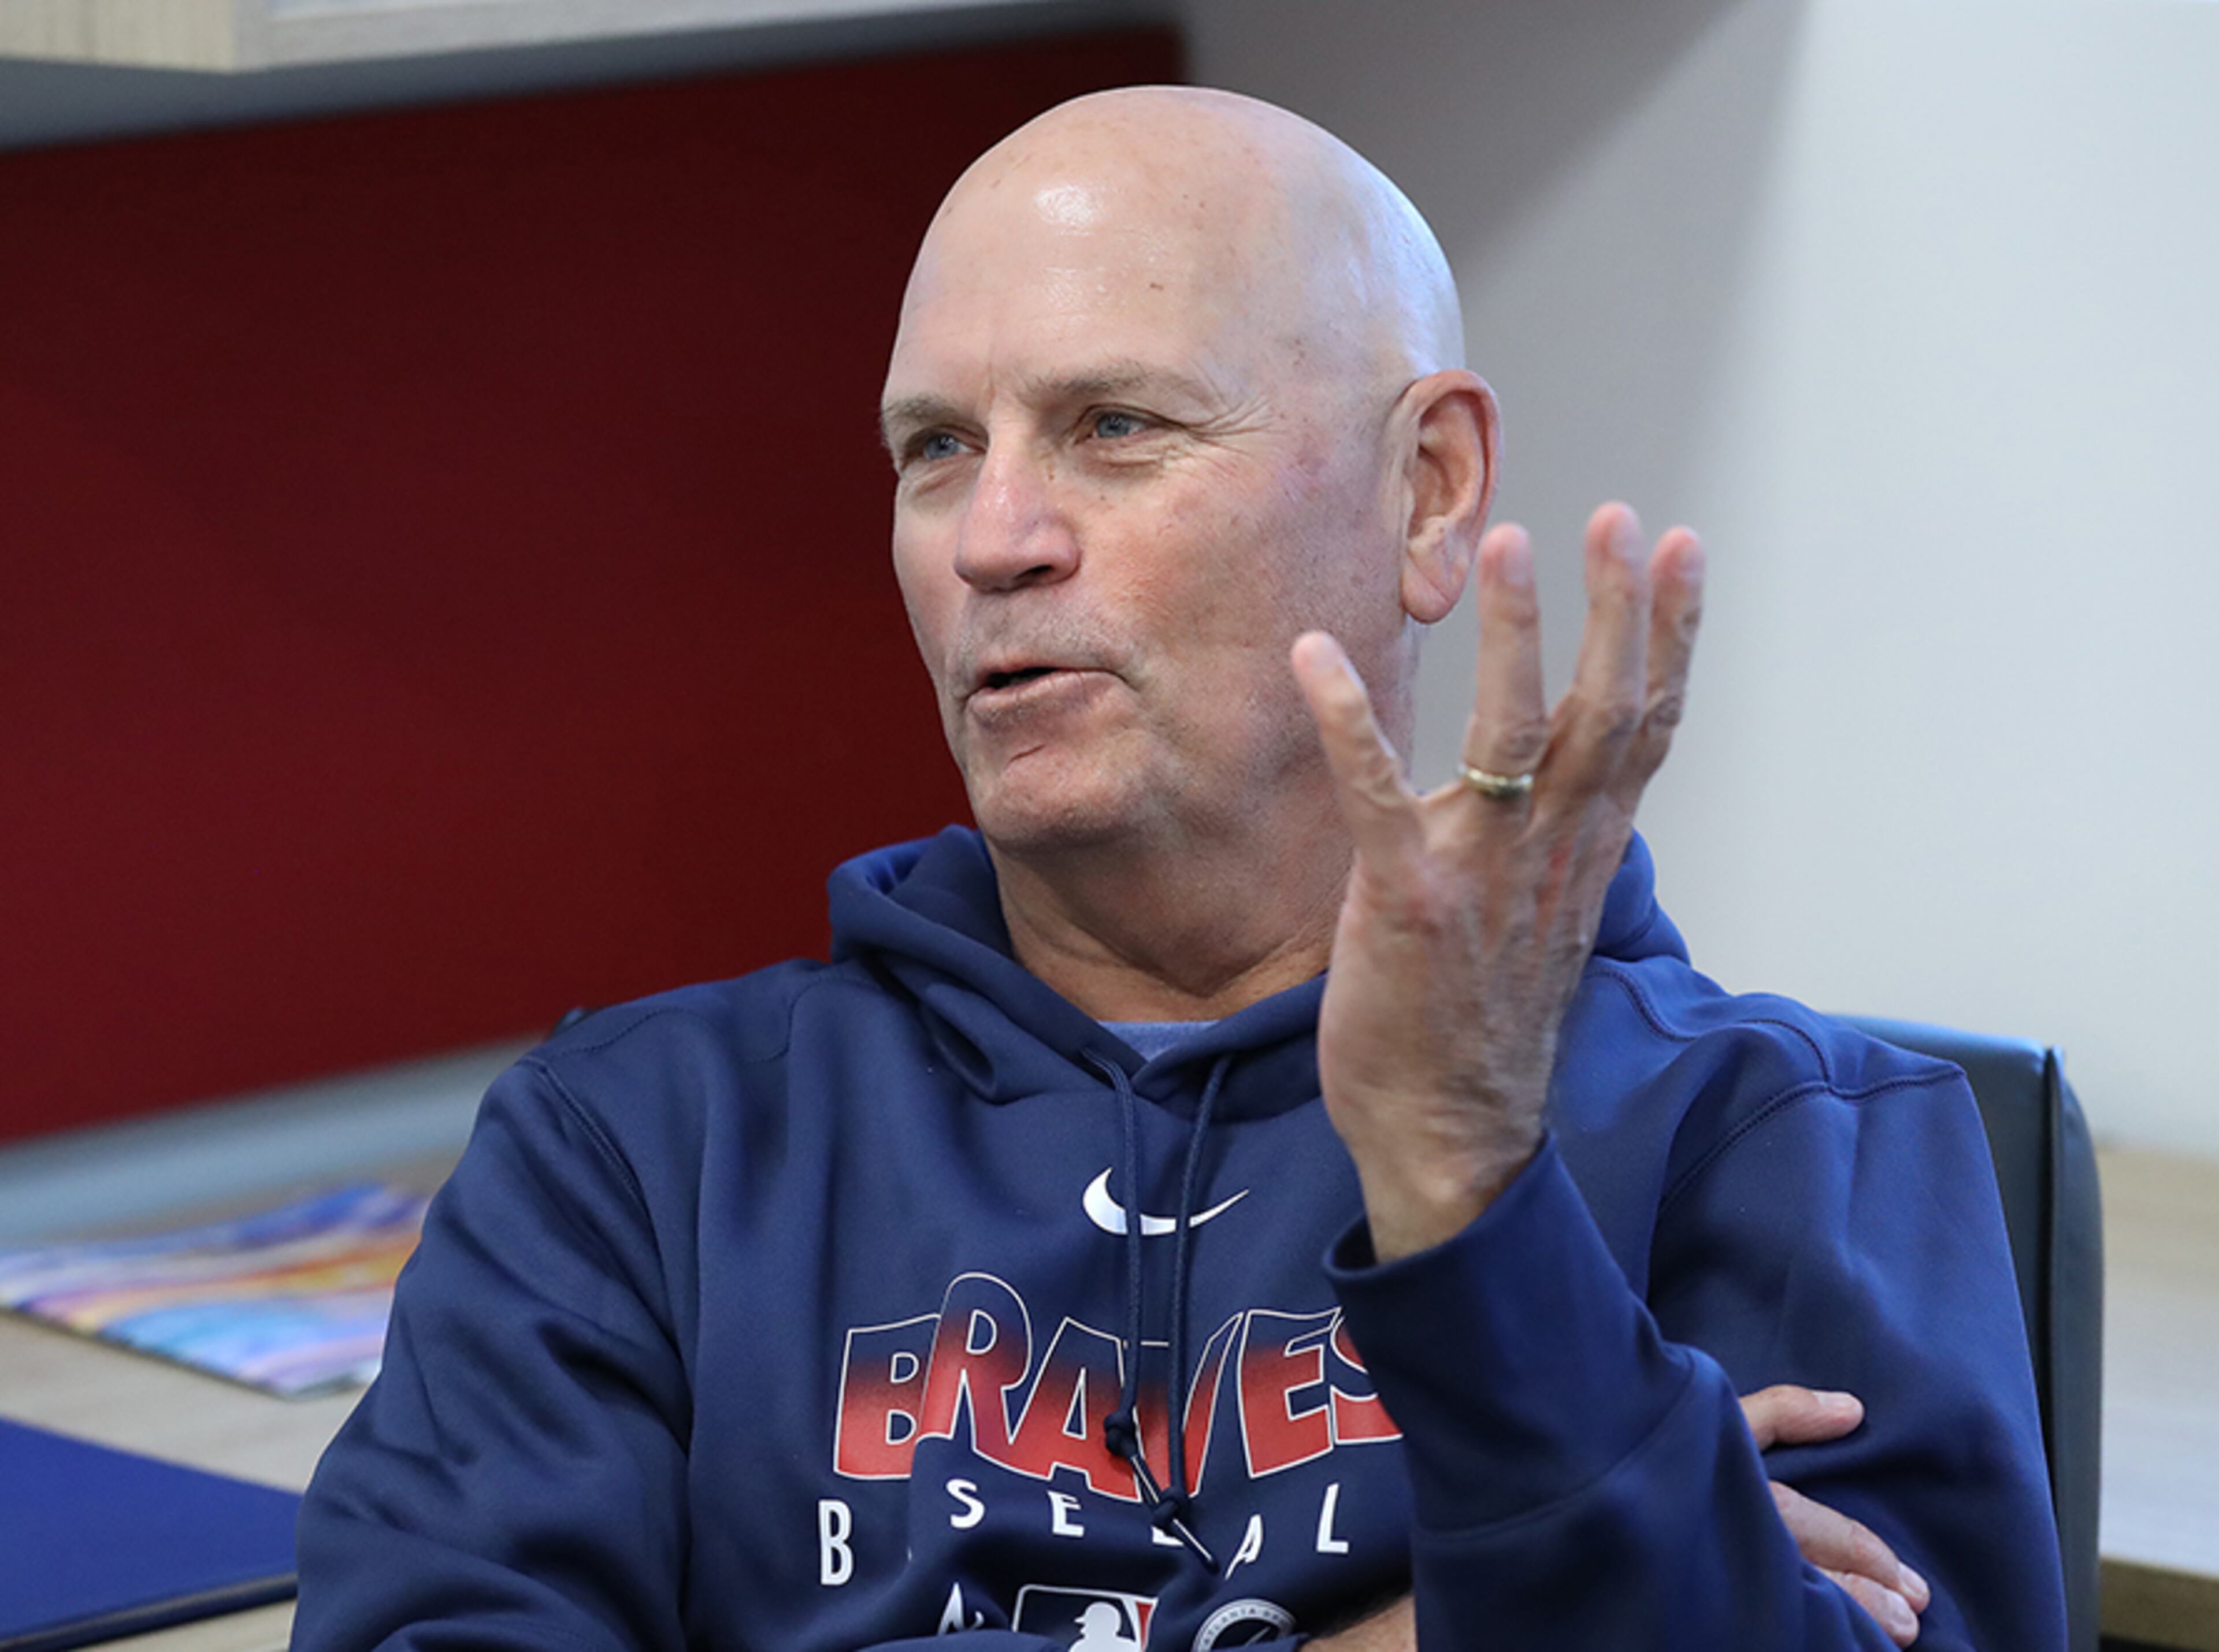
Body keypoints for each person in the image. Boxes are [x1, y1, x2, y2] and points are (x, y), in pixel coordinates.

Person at [293, 87, 2065, 1652]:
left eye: (1116, 427)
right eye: (937, 450)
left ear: (1429, 494)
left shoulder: (1781, 1140)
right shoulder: (641, 1153)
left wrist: (1464, 1197)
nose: (995, 538)